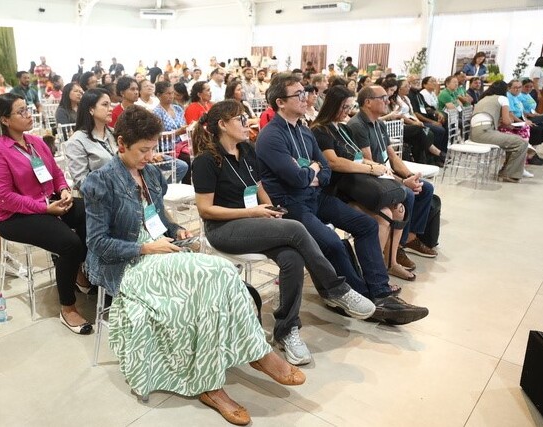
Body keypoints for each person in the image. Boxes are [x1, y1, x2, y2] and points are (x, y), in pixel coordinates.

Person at [82, 105, 305, 425]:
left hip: (162, 252)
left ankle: (230, 369)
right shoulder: (99, 182)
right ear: (121, 144)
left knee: (219, 277)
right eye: (143, 150)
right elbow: (97, 244)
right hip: (128, 264)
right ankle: (244, 362)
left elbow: (158, 219)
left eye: (152, 148)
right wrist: (146, 247)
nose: (150, 156)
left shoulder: (151, 175)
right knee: (216, 272)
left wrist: (177, 231)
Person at [193, 100, 375, 365]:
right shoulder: (206, 161)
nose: (248, 124)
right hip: (224, 229)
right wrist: (252, 212)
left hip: (254, 222)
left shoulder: (246, 150)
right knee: (295, 228)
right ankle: (336, 288)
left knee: (292, 257)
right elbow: (206, 210)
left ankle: (286, 330)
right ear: (222, 125)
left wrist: (269, 206)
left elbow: (257, 186)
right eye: (241, 120)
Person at [255, 73, 428, 324]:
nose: (307, 98)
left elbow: (325, 170)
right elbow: (296, 179)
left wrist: (312, 171)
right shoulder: (271, 136)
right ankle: (363, 299)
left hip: (315, 197)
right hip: (290, 204)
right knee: (333, 243)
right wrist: (311, 171)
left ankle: (379, 291)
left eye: (305, 93)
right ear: (280, 102)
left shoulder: (303, 131)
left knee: (367, 225)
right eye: (299, 94)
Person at [0, 93, 92, 334]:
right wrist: (45, 208)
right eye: (21, 112)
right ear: (5, 120)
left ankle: (80, 271)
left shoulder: (35, 142)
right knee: (68, 242)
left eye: (27, 108)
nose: (28, 114)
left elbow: (56, 172)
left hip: (48, 202)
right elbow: (4, 198)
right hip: (13, 216)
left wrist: (63, 191)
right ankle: (68, 308)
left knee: (89, 214)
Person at [311, 85, 416, 278]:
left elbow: (356, 157)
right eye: (344, 107)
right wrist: (370, 168)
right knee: (383, 215)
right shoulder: (321, 130)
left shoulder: (342, 128)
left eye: (350, 107)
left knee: (398, 210)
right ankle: (373, 271)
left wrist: (375, 166)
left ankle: (389, 262)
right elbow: (334, 163)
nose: (348, 112)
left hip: (355, 184)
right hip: (337, 190)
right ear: (333, 106)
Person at [347, 86, 438, 271]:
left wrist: (409, 176)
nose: (388, 101)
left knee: (425, 188)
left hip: (384, 174)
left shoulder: (379, 124)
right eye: (383, 97)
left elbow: (392, 157)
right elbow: (371, 165)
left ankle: (410, 238)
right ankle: (394, 250)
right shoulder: (357, 125)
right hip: (369, 178)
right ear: (368, 102)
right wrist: (402, 183)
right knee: (407, 194)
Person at [470, 81, 527, 182]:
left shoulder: (484, 98)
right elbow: (506, 121)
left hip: (474, 133)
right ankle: (509, 174)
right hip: (485, 132)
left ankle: (506, 171)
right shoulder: (502, 98)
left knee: (514, 142)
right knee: (521, 142)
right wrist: (510, 122)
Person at [64, 88, 117, 191]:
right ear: (91, 109)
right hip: (100, 199)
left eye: (110, 105)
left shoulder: (113, 133)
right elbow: (82, 181)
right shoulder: (77, 141)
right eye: (105, 105)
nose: (110, 109)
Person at [390, 79, 443, 164]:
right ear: (399, 89)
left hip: (412, 120)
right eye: (406, 86)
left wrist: (418, 121)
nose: (409, 88)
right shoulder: (395, 99)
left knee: (426, 133)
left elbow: (412, 112)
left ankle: (426, 160)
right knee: (422, 132)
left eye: (409, 86)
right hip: (403, 122)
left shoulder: (407, 98)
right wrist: (414, 123)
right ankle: (435, 154)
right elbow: (399, 115)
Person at [152, 81, 191, 184]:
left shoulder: (178, 109)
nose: (171, 96)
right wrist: (177, 132)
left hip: (182, 144)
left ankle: (188, 189)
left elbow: (184, 126)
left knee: (197, 157)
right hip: (166, 148)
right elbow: (157, 135)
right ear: (159, 95)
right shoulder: (156, 112)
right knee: (187, 160)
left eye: (172, 93)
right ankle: (168, 187)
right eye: (168, 93)